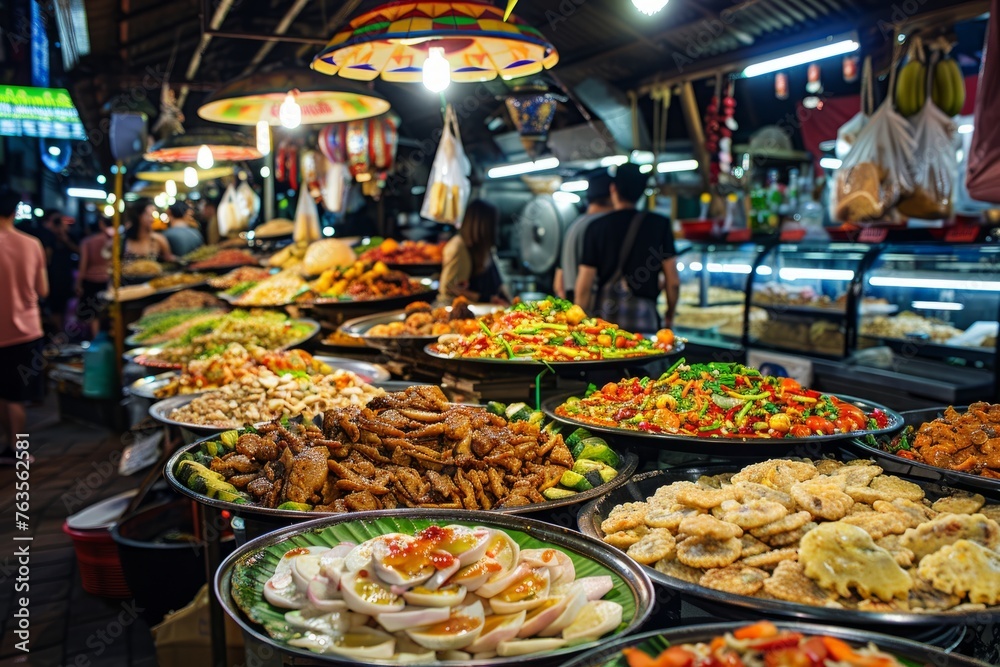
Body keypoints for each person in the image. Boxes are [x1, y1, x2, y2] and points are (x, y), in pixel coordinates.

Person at [574, 162, 679, 331]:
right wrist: (670, 315)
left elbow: (584, 286)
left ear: (613, 189)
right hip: (645, 321)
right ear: (642, 192)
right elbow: (673, 282)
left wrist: (579, 326)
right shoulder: (660, 224)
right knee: (647, 355)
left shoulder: (596, 227)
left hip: (605, 323)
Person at [0, 190, 48, 464]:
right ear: (14, 210)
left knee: (2, 394)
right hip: (26, 329)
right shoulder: (31, 244)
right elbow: (43, 289)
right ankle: (18, 451)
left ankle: (7, 445)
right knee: (18, 395)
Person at [554, 170, 614, 302]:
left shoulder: (574, 225)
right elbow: (587, 276)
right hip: (589, 302)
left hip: (570, 299)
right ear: (612, 194)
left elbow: (558, 283)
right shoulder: (601, 227)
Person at [439, 199, 507, 303]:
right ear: (482, 225)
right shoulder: (459, 247)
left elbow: (498, 284)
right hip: (472, 313)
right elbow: (450, 289)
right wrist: (485, 299)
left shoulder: (485, 248)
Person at [75, 217, 114, 339]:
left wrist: (78, 283)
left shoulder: (87, 242)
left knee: (93, 314)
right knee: (107, 311)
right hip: (107, 279)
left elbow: (83, 264)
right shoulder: (110, 240)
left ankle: (95, 340)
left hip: (90, 280)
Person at [41, 209, 78, 333]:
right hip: (52, 277)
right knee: (54, 307)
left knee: (64, 306)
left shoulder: (68, 235)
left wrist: (64, 236)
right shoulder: (45, 236)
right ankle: (58, 332)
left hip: (65, 276)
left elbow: (77, 250)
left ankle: (61, 331)